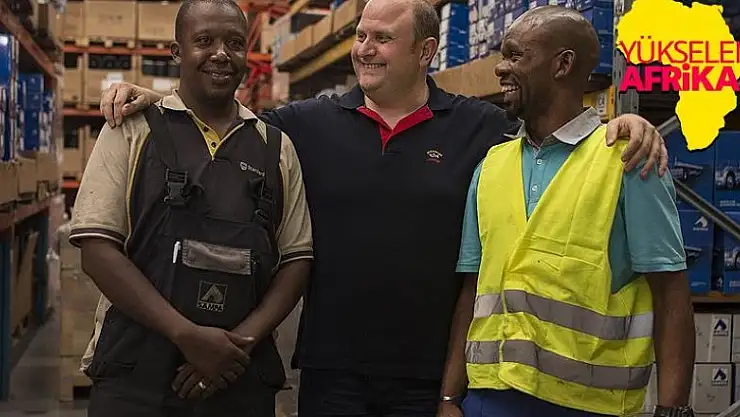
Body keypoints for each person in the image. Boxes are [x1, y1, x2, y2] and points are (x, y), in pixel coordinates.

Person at [97, 0, 672, 415]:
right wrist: (160, 100)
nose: (364, 49)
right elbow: (223, 117)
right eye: (361, 36)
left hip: (428, 376)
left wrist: (626, 122)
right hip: (331, 371)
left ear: (426, 51)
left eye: (382, 38)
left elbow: (550, 134)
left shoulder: (479, 128)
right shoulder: (308, 124)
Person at [440, 6, 696, 417]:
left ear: (562, 64)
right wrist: (450, 398)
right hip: (490, 400)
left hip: (589, 406)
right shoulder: (490, 167)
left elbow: (671, 294)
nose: (501, 68)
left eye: (515, 55)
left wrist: (673, 410)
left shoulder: (628, 161)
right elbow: (473, 290)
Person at [68, 0, 313, 415]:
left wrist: (236, 346)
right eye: (204, 41)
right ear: (177, 51)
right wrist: (188, 336)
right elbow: (96, 250)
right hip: (136, 380)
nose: (221, 53)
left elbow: (296, 259)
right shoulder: (131, 129)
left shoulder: (275, 147)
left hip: (239, 378)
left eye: (234, 43)